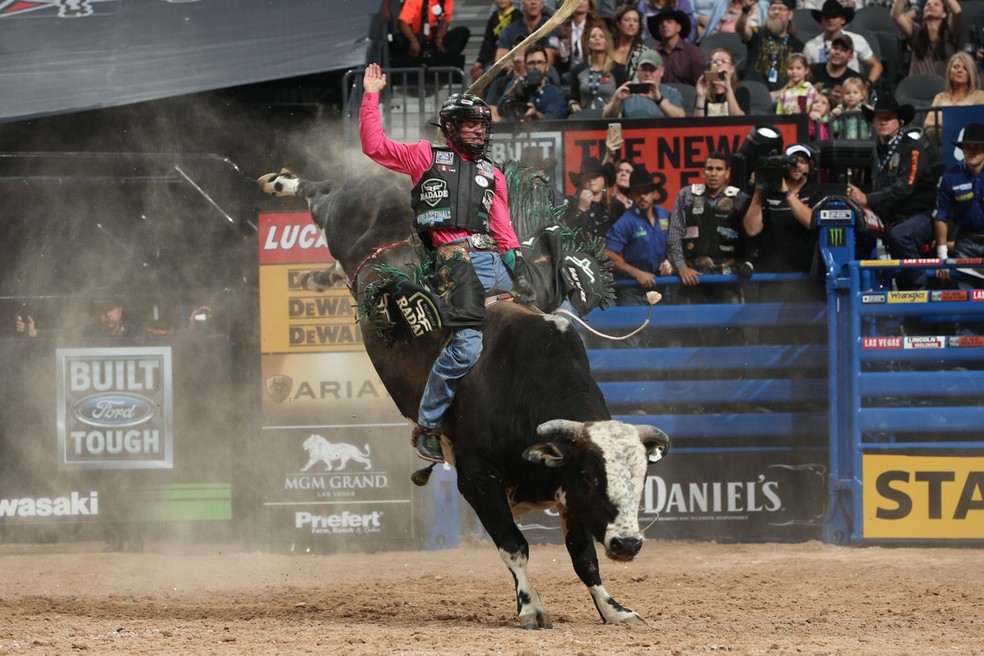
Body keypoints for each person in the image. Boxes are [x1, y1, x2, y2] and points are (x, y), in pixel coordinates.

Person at [359, 63, 533, 463]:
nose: (478, 131)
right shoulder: (424, 156)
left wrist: (520, 270)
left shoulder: (494, 174)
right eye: (469, 124)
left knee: (555, 301)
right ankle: (429, 424)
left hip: (493, 256)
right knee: (467, 347)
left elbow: (504, 230)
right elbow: (375, 146)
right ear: (451, 127)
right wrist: (372, 96)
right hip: (453, 261)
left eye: (482, 125)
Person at [845, 97, 938, 290]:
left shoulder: (913, 147)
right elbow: (877, 184)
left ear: (900, 121)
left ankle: (918, 291)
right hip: (889, 216)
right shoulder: (877, 151)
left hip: (919, 216)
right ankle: (862, 289)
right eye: (879, 118)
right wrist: (858, 196)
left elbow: (906, 187)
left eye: (889, 118)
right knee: (856, 231)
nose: (884, 121)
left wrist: (867, 198)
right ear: (873, 122)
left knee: (900, 236)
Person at [666, 152, 752, 305]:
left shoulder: (740, 199)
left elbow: (752, 235)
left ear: (727, 173)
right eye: (709, 168)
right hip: (693, 275)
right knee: (691, 327)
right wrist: (681, 267)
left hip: (728, 276)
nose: (713, 173)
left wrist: (749, 262)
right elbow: (674, 234)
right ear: (703, 172)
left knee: (730, 327)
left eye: (719, 169)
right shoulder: (687, 195)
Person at [742, 143, 823, 301]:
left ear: (809, 167)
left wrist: (786, 192)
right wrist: (759, 188)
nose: (797, 165)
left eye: (802, 161)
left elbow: (810, 221)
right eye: (792, 161)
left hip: (806, 277)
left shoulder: (817, 192)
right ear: (783, 166)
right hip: (772, 276)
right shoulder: (767, 193)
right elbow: (751, 229)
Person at [605, 165, 674, 305]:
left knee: (665, 326)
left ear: (654, 193)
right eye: (637, 192)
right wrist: (637, 274)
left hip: (664, 285)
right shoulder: (626, 221)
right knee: (635, 327)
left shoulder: (665, 215)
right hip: (633, 289)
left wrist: (671, 261)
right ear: (631, 195)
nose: (642, 196)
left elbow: (677, 243)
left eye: (646, 191)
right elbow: (607, 254)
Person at [934, 123, 984, 292]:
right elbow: (941, 216)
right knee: (965, 293)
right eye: (967, 147)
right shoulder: (949, 177)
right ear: (962, 149)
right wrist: (942, 258)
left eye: (978, 147)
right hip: (965, 242)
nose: (972, 151)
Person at [801, 0, 882, 90]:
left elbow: (876, 65)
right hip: (820, 95)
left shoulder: (857, 40)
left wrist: (867, 84)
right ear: (821, 20)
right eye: (826, 17)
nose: (830, 20)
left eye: (834, 16)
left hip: (850, 92)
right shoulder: (811, 46)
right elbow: (804, 73)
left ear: (843, 20)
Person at [737, 0, 803, 93]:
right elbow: (741, 30)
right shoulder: (757, 33)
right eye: (773, 9)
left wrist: (778, 94)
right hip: (753, 93)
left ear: (790, 15)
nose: (776, 12)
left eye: (781, 9)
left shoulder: (797, 45)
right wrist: (745, 12)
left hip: (782, 97)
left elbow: (798, 77)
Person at [602, 49, 686, 117]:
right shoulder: (627, 93)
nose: (648, 74)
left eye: (652, 70)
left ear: (662, 72)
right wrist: (616, 100)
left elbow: (682, 119)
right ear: (638, 71)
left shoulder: (671, 93)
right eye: (644, 69)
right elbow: (607, 118)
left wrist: (659, 100)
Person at [390, 0, 471, 70]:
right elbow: (402, 23)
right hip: (417, 38)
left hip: (433, 39)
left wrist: (440, 39)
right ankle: (414, 67)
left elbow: (446, 20)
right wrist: (413, 40)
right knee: (398, 40)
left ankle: (442, 64)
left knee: (462, 32)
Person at [497, 45, 571, 121]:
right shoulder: (518, 87)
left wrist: (536, 114)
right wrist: (512, 90)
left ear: (547, 66)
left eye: (539, 62)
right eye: (531, 63)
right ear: (525, 66)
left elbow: (555, 121)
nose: (535, 66)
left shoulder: (555, 93)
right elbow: (501, 111)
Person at [922, 52, 984, 142]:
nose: (959, 70)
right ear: (949, 71)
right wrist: (959, 122)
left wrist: (946, 122)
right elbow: (928, 123)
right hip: (944, 140)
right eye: (956, 67)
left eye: (965, 68)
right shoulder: (940, 97)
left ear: (971, 73)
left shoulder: (980, 96)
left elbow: (979, 123)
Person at [569, 23, 629, 113]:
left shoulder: (619, 71)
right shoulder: (578, 70)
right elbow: (574, 98)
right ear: (588, 43)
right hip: (585, 118)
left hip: (609, 118)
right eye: (593, 36)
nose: (597, 38)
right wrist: (573, 104)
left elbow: (624, 100)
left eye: (602, 36)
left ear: (607, 42)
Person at [891, 0, 961, 78]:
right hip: (916, 86)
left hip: (941, 87)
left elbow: (957, 11)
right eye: (927, 4)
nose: (931, 6)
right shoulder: (916, 32)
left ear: (944, 14)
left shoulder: (949, 33)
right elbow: (896, 16)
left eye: (936, 4)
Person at [562, 157, 618, 239]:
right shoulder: (571, 203)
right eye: (587, 176)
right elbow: (565, 232)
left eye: (596, 175)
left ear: (604, 180)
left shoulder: (615, 206)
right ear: (581, 182)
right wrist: (580, 209)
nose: (591, 179)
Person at [648, 8, 706, 85]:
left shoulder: (692, 52)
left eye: (669, 22)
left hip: (687, 96)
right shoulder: (653, 53)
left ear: (678, 27)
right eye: (661, 23)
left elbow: (701, 81)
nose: (664, 25)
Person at [496, 0, 561, 67]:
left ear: (542, 4)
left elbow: (549, 59)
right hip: (515, 73)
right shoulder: (510, 29)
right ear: (522, 3)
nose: (533, 2)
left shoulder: (550, 27)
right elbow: (500, 58)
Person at [470, 0, 522, 83]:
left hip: (513, 57)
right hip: (494, 58)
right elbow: (488, 41)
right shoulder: (494, 17)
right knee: (477, 71)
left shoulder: (518, 15)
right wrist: (480, 61)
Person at [556, 0, 607, 83]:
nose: (580, 2)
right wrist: (561, 55)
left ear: (589, 5)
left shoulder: (597, 25)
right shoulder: (563, 27)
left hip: (589, 70)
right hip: (569, 71)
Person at [694, 48, 750, 115]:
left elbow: (739, 121)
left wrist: (728, 90)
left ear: (732, 69)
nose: (718, 64)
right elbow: (698, 123)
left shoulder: (741, 91)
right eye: (715, 62)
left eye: (723, 61)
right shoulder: (705, 91)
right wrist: (701, 97)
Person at [611, 5, 650, 79]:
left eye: (635, 21)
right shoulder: (607, 48)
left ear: (639, 26)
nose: (631, 24)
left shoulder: (644, 52)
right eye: (627, 20)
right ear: (619, 24)